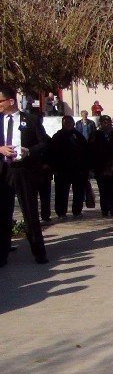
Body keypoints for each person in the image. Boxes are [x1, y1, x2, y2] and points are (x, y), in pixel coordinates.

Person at [0, 84, 49, 265]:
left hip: (23, 170)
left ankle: (39, 252)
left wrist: (30, 151)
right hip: (4, 171)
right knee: (3, 213)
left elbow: (44, 143)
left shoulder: (31, 119)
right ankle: (2, 254)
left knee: (29, 212)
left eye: (0, 101)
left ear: (10, 101)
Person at [50, 115, 90, 219]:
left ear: (73, 123)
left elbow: (86, 152)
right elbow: (52, 153)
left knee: (78, 192)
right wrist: (54, 168)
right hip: (63, 170)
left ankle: (77, 211)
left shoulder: (78, 136)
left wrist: (86, 168)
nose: (68, 124)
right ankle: (61, 212)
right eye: (65, 123)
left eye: (70, 122)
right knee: (62, 192)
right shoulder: (58, 136)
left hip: (78, 169)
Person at [89, 115, 113, 217]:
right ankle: (105, 210)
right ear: (101, 124)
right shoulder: (95, 135)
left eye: (109, 122)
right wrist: (91, 166)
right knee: (103, 190)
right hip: (101, 168)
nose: (108, 124)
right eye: (105, 122)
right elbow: (91, 152)